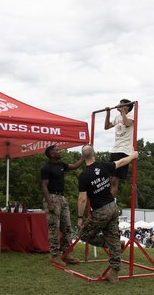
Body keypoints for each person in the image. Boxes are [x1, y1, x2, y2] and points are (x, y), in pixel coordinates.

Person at [76, 144, 138, 283]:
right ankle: (114, 273)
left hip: (101, 211)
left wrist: (80, 217)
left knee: (84, 235)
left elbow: (82, 198)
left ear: (83, 157)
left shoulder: (84, 176)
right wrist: (133, 156)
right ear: (95, 154)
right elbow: (121, 162)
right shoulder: (104, 166)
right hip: (112, 207)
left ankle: (111, 244)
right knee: (113, 237)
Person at [41, 145, 84, 266]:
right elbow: (44, 185)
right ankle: (54, 255)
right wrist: (49, 203)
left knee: (67, 226)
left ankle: (66, 254)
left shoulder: (61, 165)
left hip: (62, 198)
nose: (60, 152)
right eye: (57, 150)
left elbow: (74, 166)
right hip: (52, 198)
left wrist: (83, 157)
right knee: (54, 227)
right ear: (52, 154)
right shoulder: (46, 168)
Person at [104, 99, 134, 198]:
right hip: (115, 149)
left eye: (121, 105)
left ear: (127, 107)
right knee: (109, 179)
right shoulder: (117, 117)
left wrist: (123, 113)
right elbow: (106, 126)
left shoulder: (131, 116)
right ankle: (107, 200)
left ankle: (110, 202)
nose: (119, 106)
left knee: (114, 180)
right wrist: (108, 113)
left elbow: (127, 123)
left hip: (124, 150)